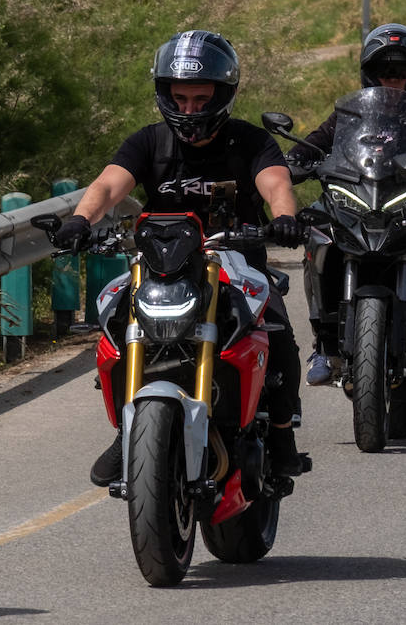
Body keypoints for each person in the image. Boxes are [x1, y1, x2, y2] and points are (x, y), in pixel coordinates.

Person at [54, 30, 309, 483]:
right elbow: (108, 185)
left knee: (278, 332)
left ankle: (282, 434)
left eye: (201, 98)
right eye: (181, 97)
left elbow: (276, 183)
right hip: (162, 264)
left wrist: (285, 217)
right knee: (115, 323)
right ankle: (129, 431)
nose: (190, 109)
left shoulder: (251, 142)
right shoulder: (148, 142)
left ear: (223, 95)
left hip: (235, 260)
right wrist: (80, 221)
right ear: (164, 94)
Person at [286, 24, 406, 386]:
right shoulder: (348, 115)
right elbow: (317, 142)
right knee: (318, 231)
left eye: (402, 72)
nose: (393, 80)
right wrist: (296, 158)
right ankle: (324, 342)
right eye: (385, 72)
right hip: (358, 197)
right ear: (369, 75)